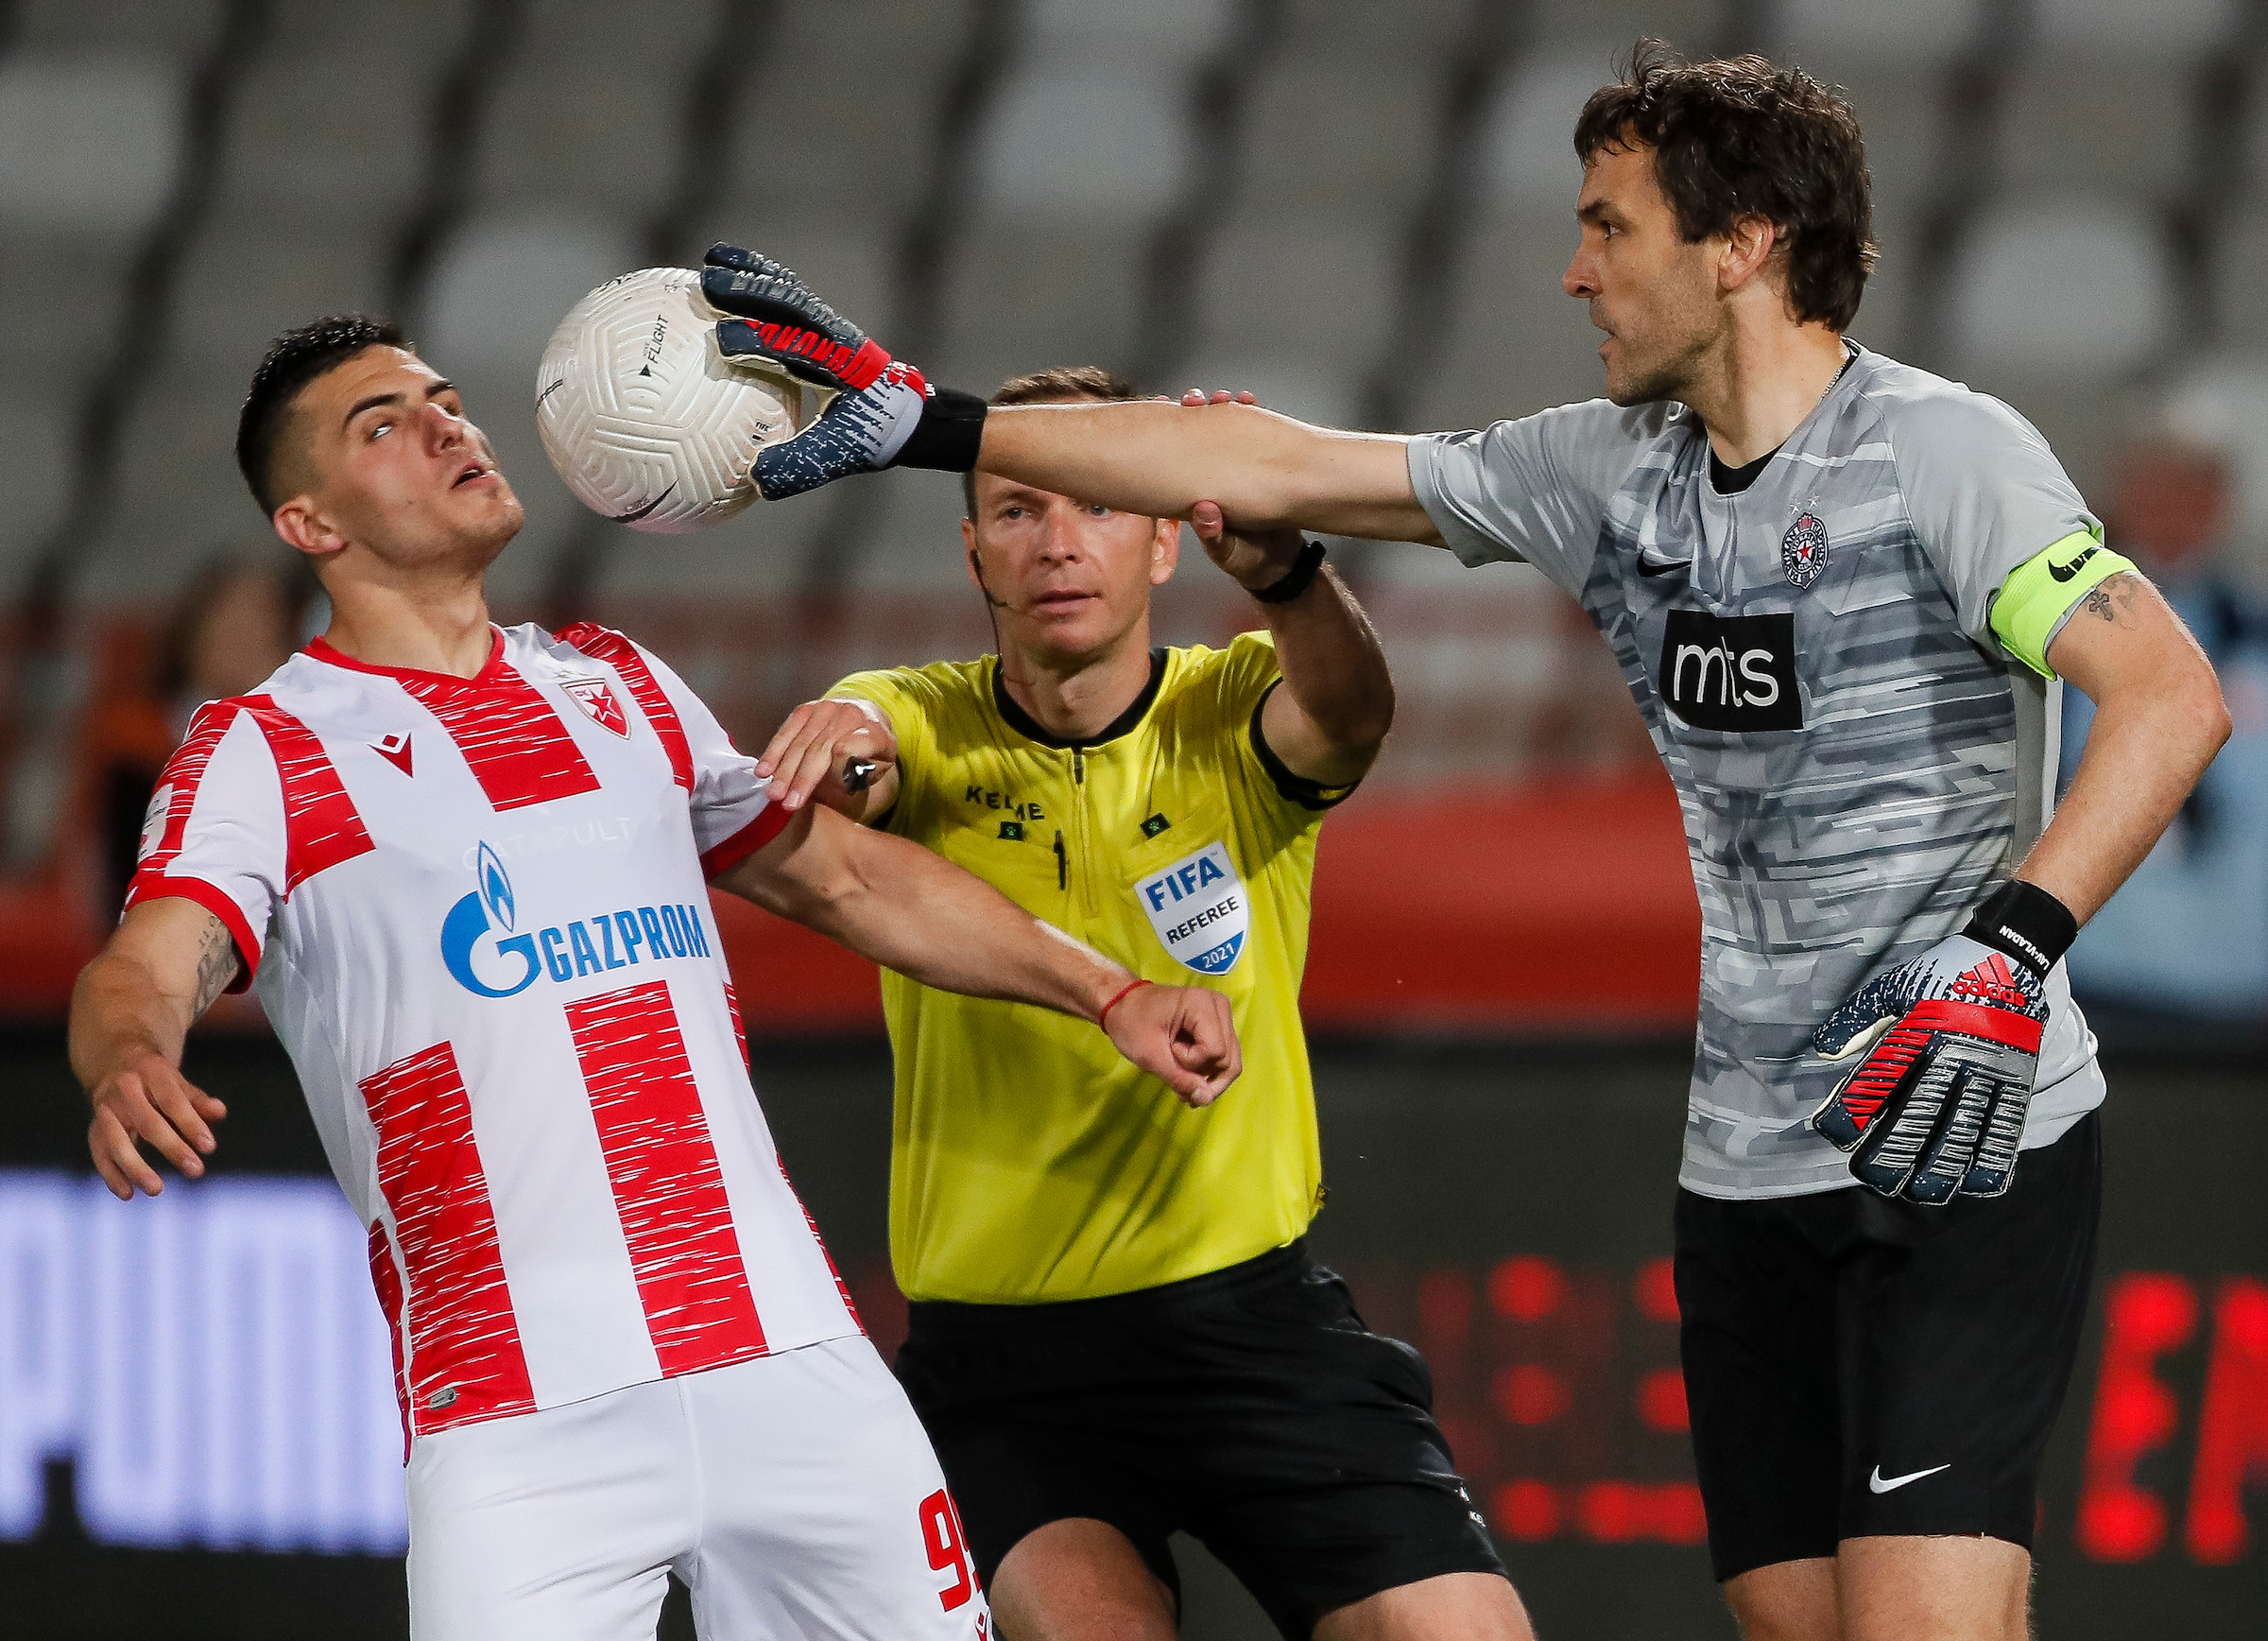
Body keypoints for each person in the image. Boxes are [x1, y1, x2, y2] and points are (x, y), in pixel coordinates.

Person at [698, 41, 2232, 1641]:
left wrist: (2013, 951)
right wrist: (936, 424)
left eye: (1610, 229)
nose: (1574, 273)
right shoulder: (1597, 472)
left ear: (1744, 242)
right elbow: (1271, 464)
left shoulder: (1946, 453)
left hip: (1959, 1130)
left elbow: (2170, 696)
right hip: (1746, 1156)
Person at [67, 316, 1242, 1641]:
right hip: (515, 1422)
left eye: (449, 398)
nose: (451, 423)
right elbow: (149, 958)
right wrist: (131, 1053)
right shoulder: (263, 749)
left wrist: (1109, 990)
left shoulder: (619, 686)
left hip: (791, 1368)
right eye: (384, 423)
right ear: (310, 524)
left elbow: (848, 878)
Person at [750, 365, 1526, 1641]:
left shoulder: (1231, 709)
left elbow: (1350, 712)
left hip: (1254, 1331)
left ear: (1167, 535)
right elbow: (860, 759)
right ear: (972, 550)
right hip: (1004, 1372)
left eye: (1102, 503)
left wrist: (1287, 572)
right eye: (1014, 511)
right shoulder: (919, 720)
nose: (1059, 542)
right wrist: (841, 743)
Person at [2055, 428, 2268, 1022]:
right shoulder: (2060, 635)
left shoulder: (2254, 637)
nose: (2173, 508)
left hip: (2236, 989)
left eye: (2193, 488)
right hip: (2092, 982)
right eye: (2157, 486)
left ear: (2221, 500)